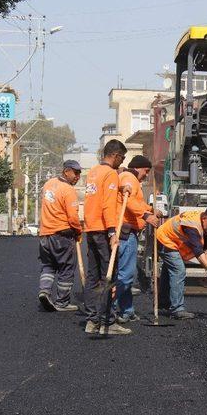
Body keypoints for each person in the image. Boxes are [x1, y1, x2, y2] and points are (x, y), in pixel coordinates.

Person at [83, 139, 132, 335]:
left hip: (91, 228)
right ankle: (107, 321)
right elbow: (107, 205)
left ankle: (91, 320)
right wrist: (112, 232)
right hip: (104, 230)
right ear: (115, 155)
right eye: (122, 158)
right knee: (108, 276)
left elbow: (97, 198)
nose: (122, 162)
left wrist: (120, 187)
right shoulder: (110, 173)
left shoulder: (93, 172)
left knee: (93, 277)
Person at [114, 155, 161, 323]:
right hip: (125, 233)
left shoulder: (129, 178)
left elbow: (136, 202)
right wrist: (147, 214)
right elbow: (130, 202)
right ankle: (109, 311)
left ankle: (127, 310)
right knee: (124, 275)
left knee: (125, 274)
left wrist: (150, 208)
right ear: (139, 168)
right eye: (146, 171)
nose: (146, 175)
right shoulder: (129, 178)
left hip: (127, 232)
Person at [156, 204, 207, 319]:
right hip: (165, 239)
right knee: (178, 270)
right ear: (205, 218)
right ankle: (177, 309)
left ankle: (163, 304)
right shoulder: (192, 225)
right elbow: (197, 251)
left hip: (174, 242)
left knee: (169, 271)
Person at [37, 160, 83, 312]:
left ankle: (44, 291)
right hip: (62, 235)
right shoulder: (68, 190)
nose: (77, 177)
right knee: (66, 267)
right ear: (66, 171)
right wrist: (78, 232)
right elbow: (73, 217)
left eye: (79, 174)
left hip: (45, 234)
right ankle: (62, 302)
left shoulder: (49, 184)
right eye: (75, 173)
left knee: (48, 266)